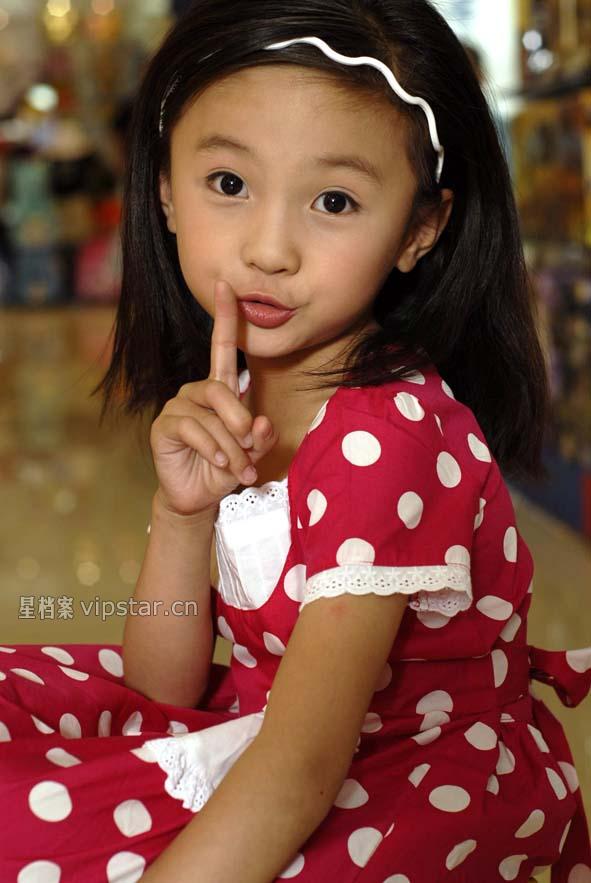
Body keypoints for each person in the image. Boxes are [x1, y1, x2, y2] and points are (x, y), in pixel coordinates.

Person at [0, 2, 589, 881]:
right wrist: (182, 513)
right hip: (281, 742)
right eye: (228, 183)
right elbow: (158, 687)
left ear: (419, 228)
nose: (269, 249)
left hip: (401, 794)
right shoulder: (240, 390)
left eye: (334, 201)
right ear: (164, 187)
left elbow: (299, 771)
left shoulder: (385, 437)